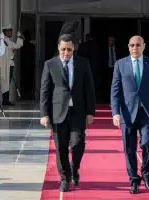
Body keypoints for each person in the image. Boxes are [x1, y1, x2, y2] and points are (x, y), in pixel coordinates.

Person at [39, 34, 96, 192]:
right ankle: (64, 178)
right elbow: (45, 90)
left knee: (78, 144)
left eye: (69, 49)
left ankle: (74, 167)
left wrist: (91, 112)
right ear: (58, 48)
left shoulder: (83, 64)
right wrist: (44, 114)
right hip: (58, 113)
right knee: (61, 148)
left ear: (74, 49)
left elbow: (89, 89)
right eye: (63, 49)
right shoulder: (50, 64)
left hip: (78, 112)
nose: (66, 52)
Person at [111, 35, 149, 194]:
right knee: (129, 148)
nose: (135, 48)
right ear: (128, 47)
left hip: (147, 113)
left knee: (147, 143)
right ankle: (134, 179)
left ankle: (147, 174)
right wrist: (115, 112)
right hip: (127, 114)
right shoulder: (120, 64)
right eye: (132, 45)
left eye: (138, 45)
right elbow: (115, 91)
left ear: (144, 46)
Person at [0, 24, 24, 106]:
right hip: (6, 64)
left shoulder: (7, 40)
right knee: (5, 82)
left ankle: (6, 100)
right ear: (6, 31)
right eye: (10, 31)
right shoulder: (5, 40)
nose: (11, 32)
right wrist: (19, 37)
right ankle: (5, 100)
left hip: (7, 63)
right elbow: (17, 46)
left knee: (6, 82)